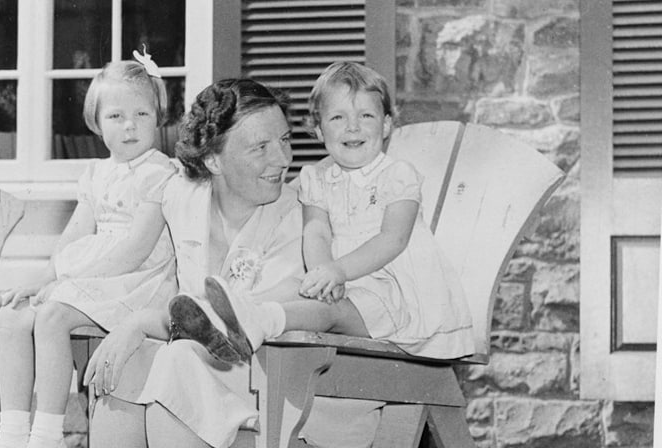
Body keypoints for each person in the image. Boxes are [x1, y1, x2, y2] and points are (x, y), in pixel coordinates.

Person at [82, 78, 389, 448]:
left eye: (284, 141)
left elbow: (235, 325)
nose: (283, 159)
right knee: (133, 362)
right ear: (212, 160)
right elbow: (144, 273)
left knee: (178, 356)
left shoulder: (302, 217)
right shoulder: (181, 198)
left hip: (308, 394)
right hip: (220, 384)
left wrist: (137, 324)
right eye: (260, 147)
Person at [0, 53, 177, 448]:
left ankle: (48, 438)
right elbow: (74, 235)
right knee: (17, 315)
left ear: (159, 117)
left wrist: (66, 281)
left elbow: (134, 251)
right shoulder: (96, 172)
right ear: (97, 122)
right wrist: (42, 279)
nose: (130, 126)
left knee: (54, 316)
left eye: (142, 114)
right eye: (116, 116)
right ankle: (13, 434)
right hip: (98, 278)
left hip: (138, 282)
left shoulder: (161, 173)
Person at [174, 60, 475, 363]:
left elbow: (393, 239)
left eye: (366, 115)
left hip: (395, 296)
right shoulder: (316, 180)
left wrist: (337, 271)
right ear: (319, 130)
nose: (353, 127)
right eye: (338, 118)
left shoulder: (397, 176)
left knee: (327, 311)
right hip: (347, 287)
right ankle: (235, 316)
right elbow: (316, 230)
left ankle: (257, 321)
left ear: (385, 125)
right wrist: (322, 273)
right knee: (314, 300)